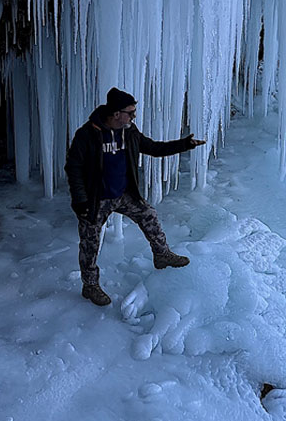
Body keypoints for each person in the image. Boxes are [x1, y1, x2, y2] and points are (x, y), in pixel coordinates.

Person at [64, 88, 205, 306]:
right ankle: (90, 285)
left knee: (148, 214)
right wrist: (80, 200)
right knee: (90, 242)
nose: (133, 116)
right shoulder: (87, 135)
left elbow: (153, 148)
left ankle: (162, 254)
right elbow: (74, 167)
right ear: (116, 113)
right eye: (130, 112)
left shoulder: (129, 132)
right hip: (96, 199)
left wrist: (184, 144)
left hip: (123, 193)